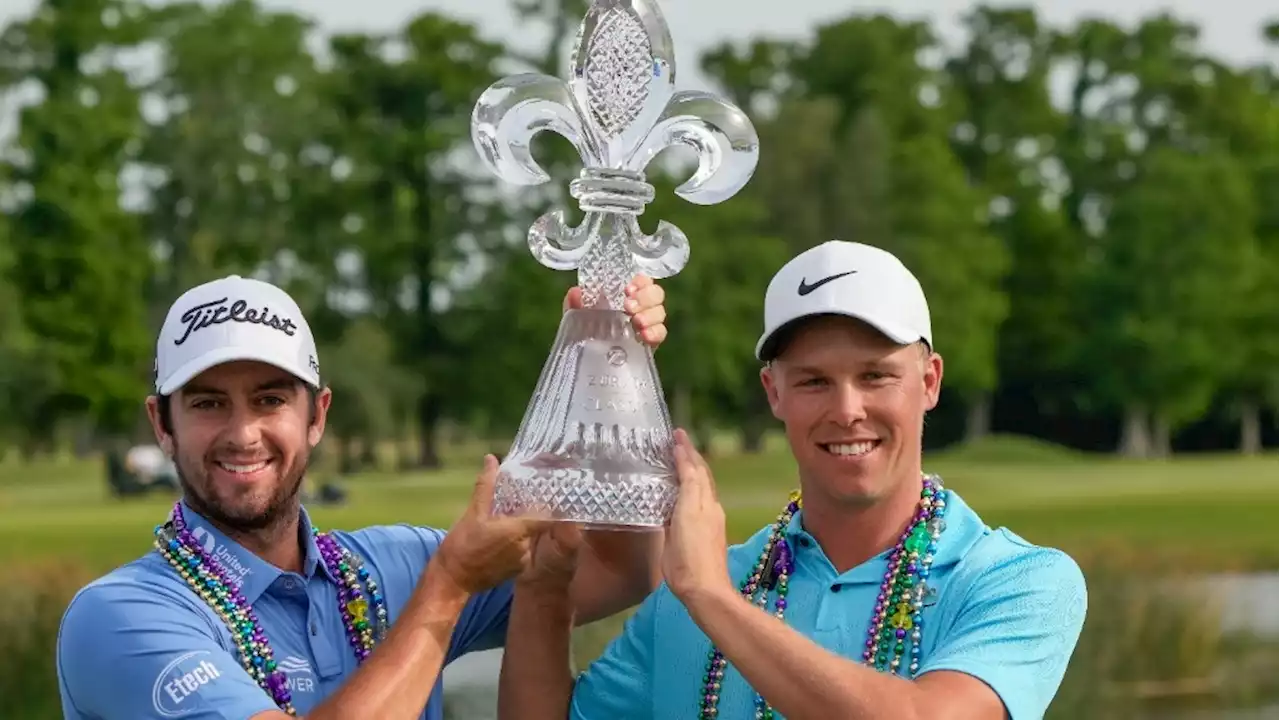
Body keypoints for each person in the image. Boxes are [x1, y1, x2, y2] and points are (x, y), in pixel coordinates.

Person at [496, 240, 1089, 720]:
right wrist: (546, 587)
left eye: (876, 375)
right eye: (813, 381)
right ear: (773, 392)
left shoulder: (1018, 580)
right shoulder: (692, 593)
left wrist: (712, 598)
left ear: (929, 382)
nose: (847, 409)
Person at [55, 271, 671, 720]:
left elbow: (619, 569)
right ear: (162, 424)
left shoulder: (393, 567)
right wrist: (450, 586)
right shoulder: (118, 617)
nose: (244, 434)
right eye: (208, 403)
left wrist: (607, 365)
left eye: (270, 399)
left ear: (317, 416)